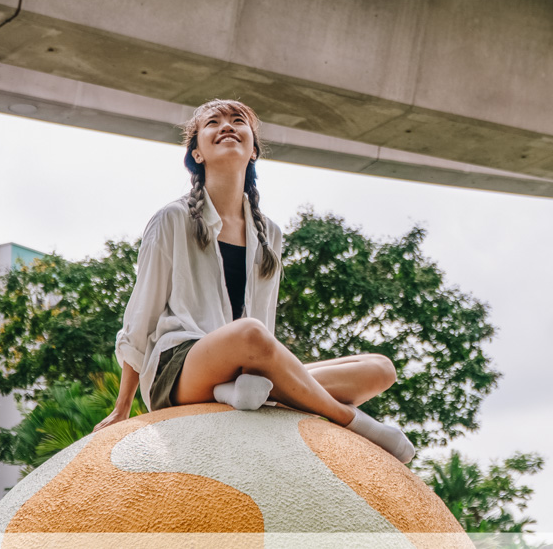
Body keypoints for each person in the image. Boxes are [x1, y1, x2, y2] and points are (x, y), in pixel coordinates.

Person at [92, 99, 415, 464]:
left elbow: (266, 323)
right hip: (179, 370)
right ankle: (350, 419)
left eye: (237, 120)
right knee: (250, 334)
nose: (227, 126)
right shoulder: (172, 219)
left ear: (253, 149)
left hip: (249, 364)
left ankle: (243, 392)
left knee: (380, 370)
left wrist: (263, 366)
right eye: (213, 122)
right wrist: (122, 407)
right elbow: (142, 316)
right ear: (197, 153)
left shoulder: (269, 234)